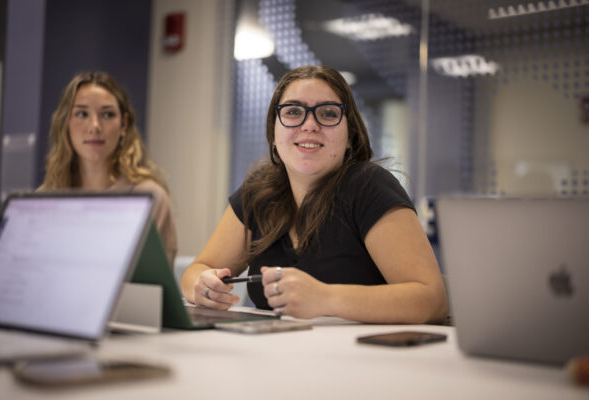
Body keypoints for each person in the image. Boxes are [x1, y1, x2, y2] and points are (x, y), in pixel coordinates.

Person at [180, 65, 447, 324]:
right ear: (274, 132)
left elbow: (432, 300)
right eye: (294, 112)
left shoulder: (369, 186)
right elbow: (196, 271)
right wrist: (203, 286)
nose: (309, 125)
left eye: (328, 114)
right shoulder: (259, 193)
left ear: (350, 136)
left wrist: (325, 298)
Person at [38, 71, 177, 264]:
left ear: (123, 125)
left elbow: (153, 288)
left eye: (107, 114)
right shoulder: (45, 199)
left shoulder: (150, 197)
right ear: (65, 123)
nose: (94, 126)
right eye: (81, 114)